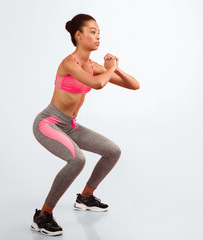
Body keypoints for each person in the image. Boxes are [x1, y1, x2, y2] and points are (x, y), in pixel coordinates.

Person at [31, 13, 140, 236]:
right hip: (49, 123)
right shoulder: (69, 63)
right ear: (78, 36)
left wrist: (115, 67)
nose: (98, 36)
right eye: (93, 32)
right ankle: (43, 216)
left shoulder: (94, 65)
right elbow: (98, 84)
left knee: (112, 151)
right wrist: (110, 69)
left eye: (99, 32)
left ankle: (86, 197)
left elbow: (134, 85)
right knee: (77, 159)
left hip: (70, 125)